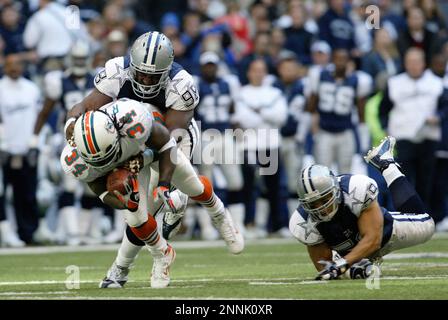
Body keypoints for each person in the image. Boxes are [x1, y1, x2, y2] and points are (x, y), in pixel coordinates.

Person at [63, 31, 243, 286]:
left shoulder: (180, 83)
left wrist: (157, 176)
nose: (146, 80)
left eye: (153, 75)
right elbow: (83, 107)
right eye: (141, 73)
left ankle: (218, 213)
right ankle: (128, 266)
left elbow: (168, 141)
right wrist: (72, 125)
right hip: (127, 140)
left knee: (180, 190)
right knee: (136, 210)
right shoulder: (78, 156)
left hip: (170, 137)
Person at [289, 136, 435, 280]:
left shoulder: (355, 189)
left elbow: (373, 240)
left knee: (427, 225)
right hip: (347, 252)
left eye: (325, 199)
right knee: (353, 272)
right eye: (314, 204)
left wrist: (344, 264)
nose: (322, 208)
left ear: (336, 190)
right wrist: (347, 270)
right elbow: (325, 268)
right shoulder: (301, 222)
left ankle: (387, 165)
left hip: (384, 233)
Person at [306, 49, 372, 174]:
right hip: (324, 131)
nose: (340, 62)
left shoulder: (357, 81)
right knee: (323, 174)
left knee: (345, 173)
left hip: (345, 132)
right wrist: (307, 130)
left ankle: (343, 194)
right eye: (337, 59)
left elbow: (361, 114)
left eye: (343, 59)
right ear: (332, 60)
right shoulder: (320, 76)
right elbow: (311, 107)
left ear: (348, 62)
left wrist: (364, 142)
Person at [0, 54, 41, 245]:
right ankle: (5, 232)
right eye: (10, 65)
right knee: (1, 193)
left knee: (27, 194)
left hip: (27, 148)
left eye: (17, 64)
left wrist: (36, 143)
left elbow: (39, 118)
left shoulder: (31, 89)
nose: (14, 68)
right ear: (5, 67)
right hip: (4, 149)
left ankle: (29, 233)